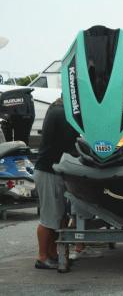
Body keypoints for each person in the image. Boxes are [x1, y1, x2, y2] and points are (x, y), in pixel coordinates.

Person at [34, 98, 78, 269]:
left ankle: (52, 254)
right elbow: (71, 143)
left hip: (52, 169)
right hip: (48, 171)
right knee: (49, 217)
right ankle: (42, 257)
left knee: (57, 216)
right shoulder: (61, 113)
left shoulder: (58, 110)